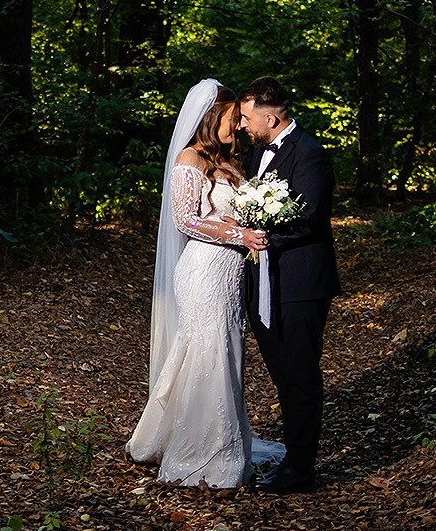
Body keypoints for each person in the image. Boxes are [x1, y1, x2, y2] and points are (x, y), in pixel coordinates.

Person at [125, 78, 285, 488]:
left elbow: (224, 211)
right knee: (207, 352)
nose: (237, 127)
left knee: (228, 353)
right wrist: (238, 235)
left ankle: (229, 440)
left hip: (230, 274)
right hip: (203, 271)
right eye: (233, 119)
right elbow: (186, 220)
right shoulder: (189, 159)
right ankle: (202, 451)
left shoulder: (229, 163)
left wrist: (245, 223)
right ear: (213, 117)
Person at [235, 76, 341, 494]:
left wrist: (263, 237)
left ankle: (301, 468)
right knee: (281, 373)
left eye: (246, 117)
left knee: (299, 373)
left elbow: (310, 217)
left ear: (271, 116)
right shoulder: (254, 153)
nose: (242, 125)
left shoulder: (311, 155)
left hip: (300, 282)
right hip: (261, 283)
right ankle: (293, 458)